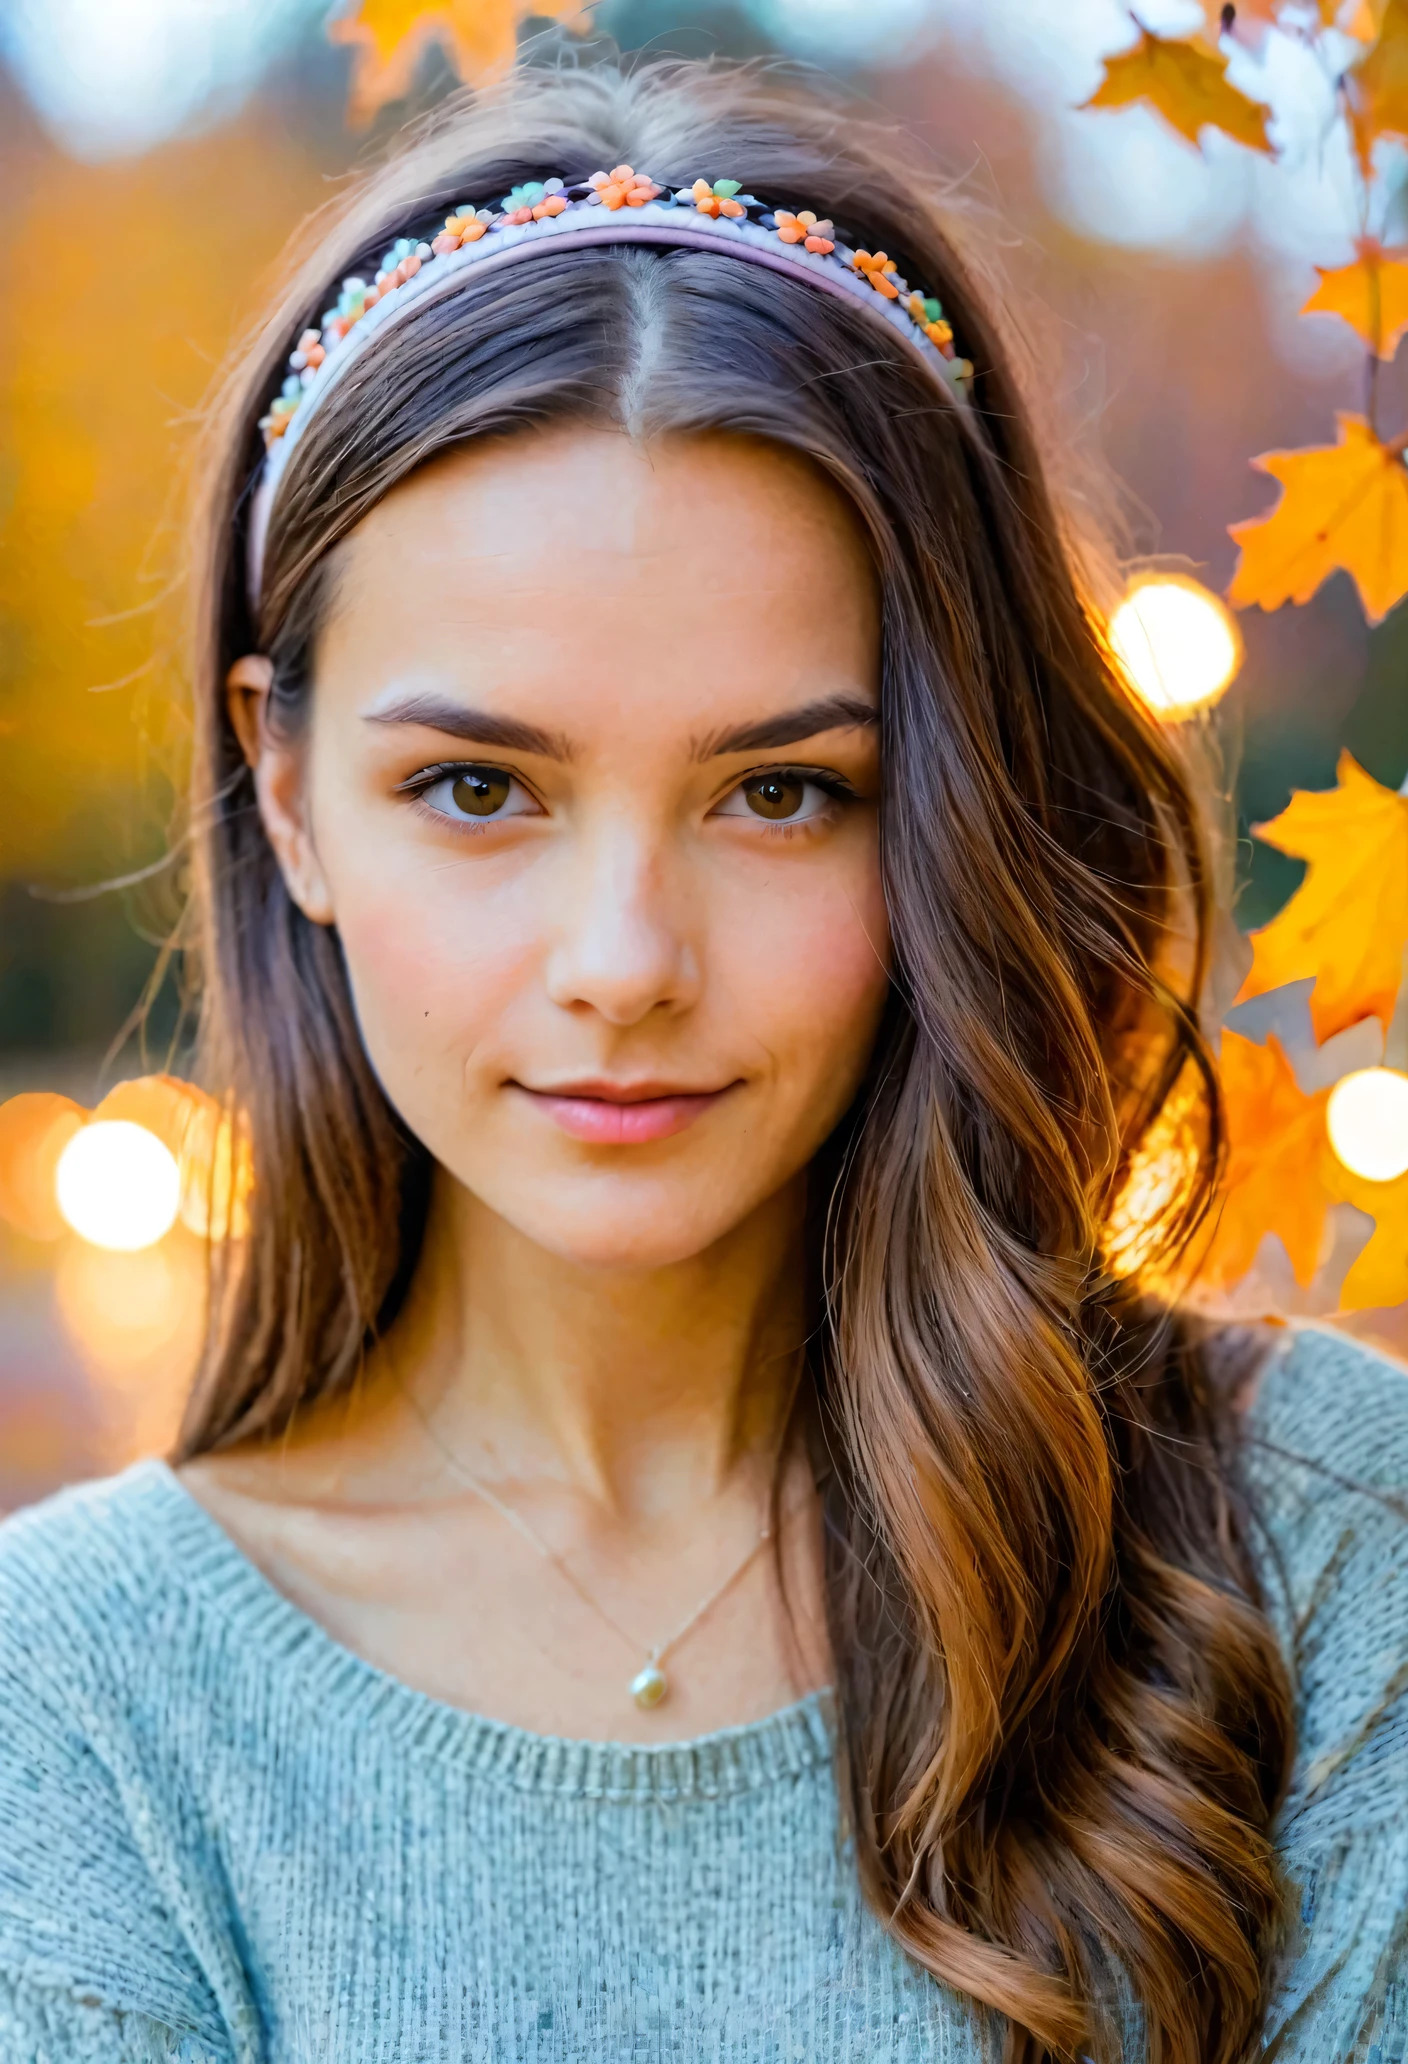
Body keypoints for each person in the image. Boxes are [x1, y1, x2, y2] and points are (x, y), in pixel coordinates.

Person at [0, 59, 1404, 2064]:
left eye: (781, 793)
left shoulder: (1323, 1559)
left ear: (949, 804)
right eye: (478, 786)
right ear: (285, 787)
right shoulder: (73, 1716)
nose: (624, 963)